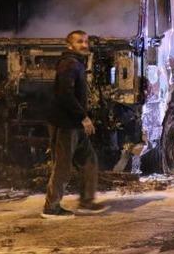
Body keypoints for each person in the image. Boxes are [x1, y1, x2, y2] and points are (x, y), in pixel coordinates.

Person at [43, 30, 107, 218]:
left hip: (74, 124)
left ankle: (87, 201)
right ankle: (51, 208)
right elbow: (64, 95)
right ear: (69, 45)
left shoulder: (77, 63)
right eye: (80, 42)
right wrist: (83, 117)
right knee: (62, 167)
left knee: (89, 161)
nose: (85, 45)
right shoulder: (69, 64)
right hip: (65, 124)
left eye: (86, 41)